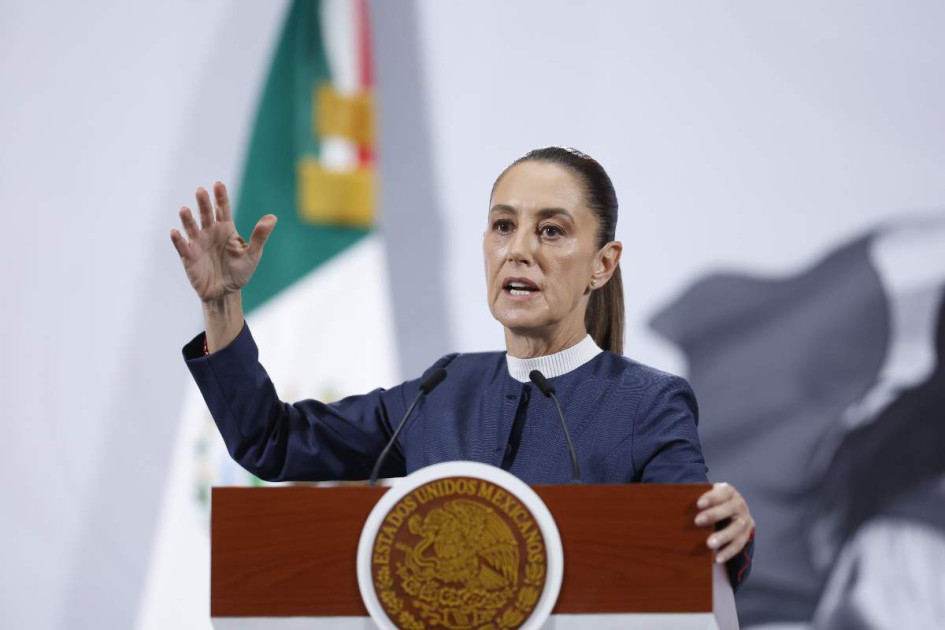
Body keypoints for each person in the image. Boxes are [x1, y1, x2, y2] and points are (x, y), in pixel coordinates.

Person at [170, 147, 755, 588]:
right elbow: (271, 441)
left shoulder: (647, 403)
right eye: (504, 226)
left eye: (550, 231)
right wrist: (221, 304)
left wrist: (728, 530)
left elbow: (696, 555)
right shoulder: (443, 389)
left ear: (603, 265)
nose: (519, 249)